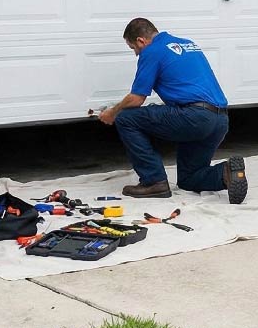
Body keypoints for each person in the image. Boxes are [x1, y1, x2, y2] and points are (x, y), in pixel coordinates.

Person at [90, 18, 247, 203]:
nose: (135, 53)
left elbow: (136, 99)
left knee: (126, 118)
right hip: (220, 119)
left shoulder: (151, 51)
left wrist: (112, 112)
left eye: (133, 48)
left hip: (193, 117)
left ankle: (153, 181)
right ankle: (228, 173)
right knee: (189, 179)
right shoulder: (188, 44)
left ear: (141, 40)